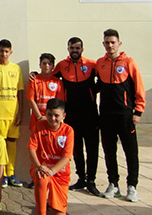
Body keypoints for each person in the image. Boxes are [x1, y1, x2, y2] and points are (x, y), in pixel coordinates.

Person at [96, 29, 145, 202]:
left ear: (119, 44)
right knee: (109, 152)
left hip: (125, 115)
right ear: (103, 44)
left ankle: (132, 186)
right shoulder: (100, 64)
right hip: (107, 116)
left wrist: (138, 112)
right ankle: (113, 184)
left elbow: (139, 87)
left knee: (130, 152)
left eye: (113, 42)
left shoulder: (129, 62)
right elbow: (94, 86)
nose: (110, 45)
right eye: (107, 42)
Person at [48, 37, 100, 195]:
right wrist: (34, 74)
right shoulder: (62, 66)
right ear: (68, 49)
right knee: (76, 148)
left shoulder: (92, 65)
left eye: (77, 48)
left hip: (90, 114)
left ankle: (91, 180)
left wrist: (93, 92)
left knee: (92, 148)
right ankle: (81, 179)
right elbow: (49, 78)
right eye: (72, 48)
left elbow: (104, 80)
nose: (74, 51)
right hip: (72, 114)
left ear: (82, 49)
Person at [28, 98, 74, 215]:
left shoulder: (68, 131)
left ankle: (48, 203)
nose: (52, 119)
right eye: (49, 114)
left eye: (56, 115)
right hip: (42, 170)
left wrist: (52, 170)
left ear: (63, 116)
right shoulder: (39, 126)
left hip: (59, 174)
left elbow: (66, 158)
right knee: (41, 178)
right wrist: (38, 166)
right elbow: (31, 148)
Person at [0, 39, 24, 187]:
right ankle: (1, 175)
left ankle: (10, 173)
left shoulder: (16, 69)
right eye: (1, 51)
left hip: (12, 114)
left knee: (12, 143)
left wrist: (20, 112)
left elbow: (20, 92)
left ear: (10, 52)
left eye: (7, 51)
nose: (4, 54)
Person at [27, 53, 64, 131]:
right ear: (40, 65)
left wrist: (50, 117)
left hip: (53, 120)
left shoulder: (58, 82)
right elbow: (31, 100)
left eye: (49, 64)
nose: (47, 65)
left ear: (53, 67)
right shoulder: (33, 80)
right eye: (44, 63)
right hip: (37, 119)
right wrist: (40, 117)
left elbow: (60, 102)